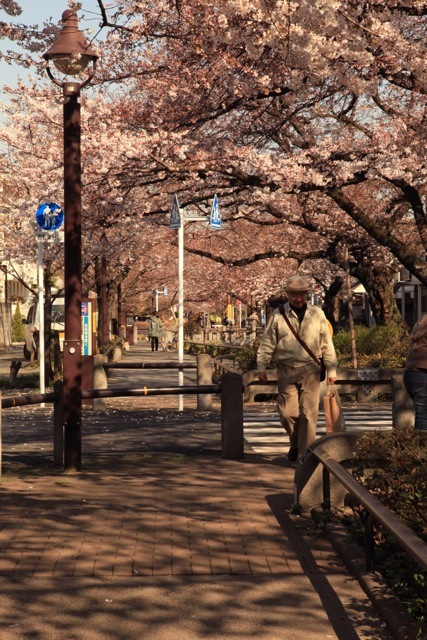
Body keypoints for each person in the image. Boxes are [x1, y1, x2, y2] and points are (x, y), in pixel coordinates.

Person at [257, 274, 338, 462]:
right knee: (287, 414)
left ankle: (304, 456)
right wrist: (262, 365)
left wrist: (332, 370)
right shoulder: (278, 315)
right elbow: (267, 342)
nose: (298, 299)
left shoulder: (317, 313)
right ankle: (295, 443)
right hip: (286, 368)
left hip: (311, 368)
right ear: (287, 294)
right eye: (294, 295)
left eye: (302, 294)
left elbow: (327, 343)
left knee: (309, 415)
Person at [404, 314, 427, 430]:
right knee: (423, 420)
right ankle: (422, 446)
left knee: (422, 418)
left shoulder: (422, 321)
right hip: (423, 374)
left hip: (412, 373)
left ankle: (420, 446)